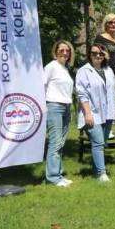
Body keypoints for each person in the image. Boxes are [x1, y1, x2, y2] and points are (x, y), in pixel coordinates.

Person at [76, 44, 115, 182]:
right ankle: (101, 174)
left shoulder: (108, 70)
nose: (98, 56)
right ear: (89, 55)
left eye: (101, 53)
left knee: (101, 143)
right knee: (98, 142)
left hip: (108, 113)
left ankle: (96, 171)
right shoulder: (83, 71)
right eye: (94, 53)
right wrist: (87, 113)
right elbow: (82, 94)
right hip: (92, 113)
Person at [43, 41, 75, 186]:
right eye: (61, 50)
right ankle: (53, 177)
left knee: (61, 142)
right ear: (55, 51)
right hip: (54, 107)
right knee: (55, 143)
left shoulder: (65, 68)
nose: (65, 53)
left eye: (67, 51)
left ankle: (58, 174)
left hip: (66, 107)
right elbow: (42, 85)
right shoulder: (51, 66)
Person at [93, 14, 115, 83]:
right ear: (106, 24)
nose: (113, 25)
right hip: (104, 72)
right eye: (110, 22)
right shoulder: (100, 38)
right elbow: (95, 56)